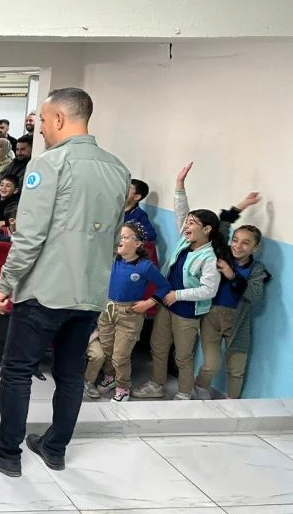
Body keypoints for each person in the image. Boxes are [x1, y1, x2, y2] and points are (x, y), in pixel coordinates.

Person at [0, 88, 130, 477]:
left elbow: (29, 237)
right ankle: (54, 448)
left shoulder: (50, 165)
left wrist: (4, 284)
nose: (40, 129)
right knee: (71, 372)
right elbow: (113, 240)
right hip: (90, 293)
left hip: (45, 291)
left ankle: (7, 452)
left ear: (59, 119)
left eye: (42, 120)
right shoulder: (118, 169)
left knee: (18, 370)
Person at [133, 163, 227, 400]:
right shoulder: (185, 242)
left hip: (186, 310)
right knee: (158, 346)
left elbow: (208, 290)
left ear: (206, 229)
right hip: (166, 301)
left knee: (183, 355)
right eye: (188, 222)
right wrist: (179, 184)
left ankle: (185, 393)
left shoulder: (209, 256)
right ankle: (156, 384)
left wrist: (179, 295)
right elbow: (180, 212)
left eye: (192, 223)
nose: (186, 225)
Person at [84, 221, 170, 402]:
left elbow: (164, 286)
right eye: (119, 236)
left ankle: (123, 387)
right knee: (107, 350)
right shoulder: (113, 258)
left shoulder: (145, 266)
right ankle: (110, 377)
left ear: (138, 244)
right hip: (108, 310)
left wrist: (149, 303)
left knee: (120, 356)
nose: (120, 240)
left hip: (130, 314)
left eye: (124, 237)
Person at [196, 194, 269, 399]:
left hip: (238, 321)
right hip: (211, 316)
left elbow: (254, 296)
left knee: (236, 368)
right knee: (211, 365)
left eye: (245, 243)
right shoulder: (223, 254)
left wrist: (232, 276)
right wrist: (244, 204)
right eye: (235, 240)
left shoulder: (257, 269)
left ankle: (232, 403)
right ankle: (200, 387)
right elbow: (224, 222)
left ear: (255, 247)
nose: (238, 246)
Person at [124, 179, 158, 243]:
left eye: (128, 188)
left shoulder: (139, 215)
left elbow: (152, 235)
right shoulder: (115, 208)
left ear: (136, 197)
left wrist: (129, 234)